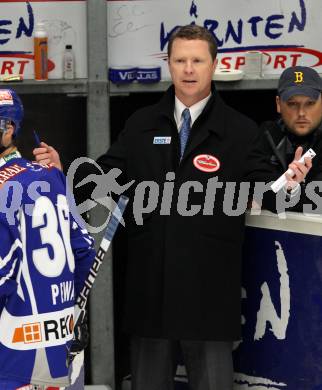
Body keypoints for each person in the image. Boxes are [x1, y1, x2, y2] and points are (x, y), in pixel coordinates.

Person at [33, 26, 312, 390]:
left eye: (197, 60)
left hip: (209, 296)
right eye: (180, 60)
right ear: (169, 64)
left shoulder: (240, 131)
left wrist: (290, 181)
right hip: (152, 294)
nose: (188, 69)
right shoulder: (141, 123)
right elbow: (103, 177)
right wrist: (63, 168)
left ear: (214, 64)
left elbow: (268, 192)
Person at [0, 88, 96, 390]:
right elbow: (85, 250)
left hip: (12, 359)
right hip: (62, 347)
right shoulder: (51, 174)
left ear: (9, 129)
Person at [259, 65, 322, 207]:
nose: (301, 112)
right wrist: (289, 190)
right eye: (293, 104)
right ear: (278, 104)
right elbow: (251, 190)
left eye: (310, 103)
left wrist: (290, 192)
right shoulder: (267, 135)